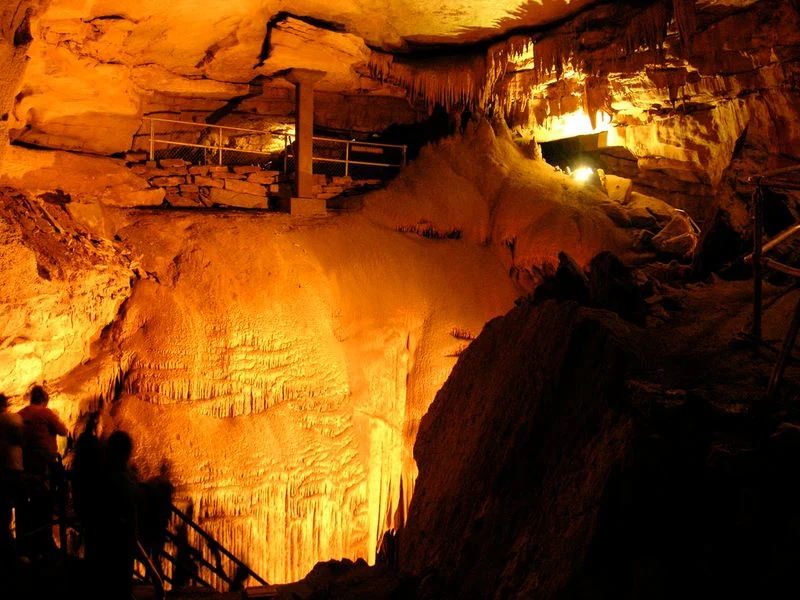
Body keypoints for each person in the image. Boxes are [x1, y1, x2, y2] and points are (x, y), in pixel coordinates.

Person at [16, 384, 68, 557]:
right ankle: (45, 540)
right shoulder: (45, 413)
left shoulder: (20, 414)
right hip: (45, 463)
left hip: (25, 464)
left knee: (26, 503)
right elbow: (63, 431)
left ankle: (24, 540)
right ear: (44, 400)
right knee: (47, 501)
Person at [90, 430, 139, 599]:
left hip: (101, 538)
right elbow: (132, 502)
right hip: (120, 537)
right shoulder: (122, 479)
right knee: (120, 579)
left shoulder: (100, 475)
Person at [0, 393, 24, 568]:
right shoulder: (11, 419)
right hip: (13, 467)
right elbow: (21, 437)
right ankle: (17, 550)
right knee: (16, 505)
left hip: (2, 469)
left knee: (4, 509)